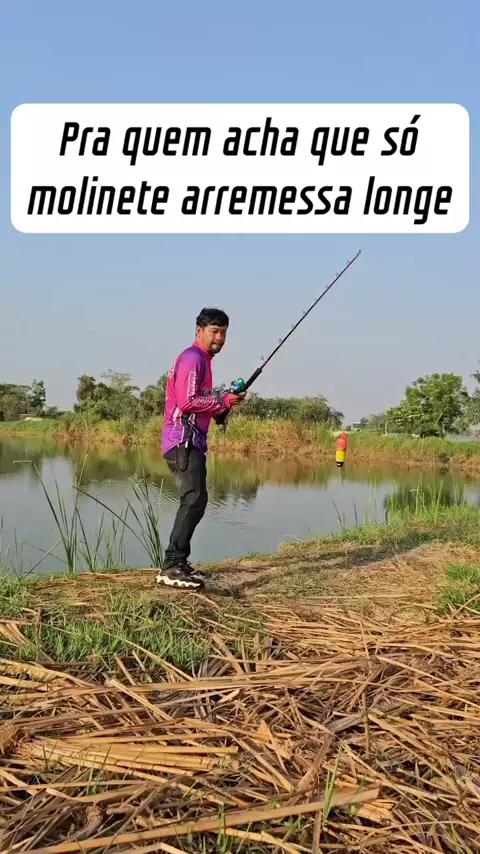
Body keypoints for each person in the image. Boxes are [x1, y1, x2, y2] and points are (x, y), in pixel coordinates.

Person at [157, 307, 245, 589]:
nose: (219, 338)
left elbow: (200, 401)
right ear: (199, 331)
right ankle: (172, 566)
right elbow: (187, 402)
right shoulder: (193, 358)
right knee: (194, 498)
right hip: (182, 439)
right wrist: (224, 401)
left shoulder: (203, 361)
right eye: (214, 331)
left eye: (223, 333)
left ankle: (178, 563)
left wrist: (220, 408)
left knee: (197, 499)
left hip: (192, 440)